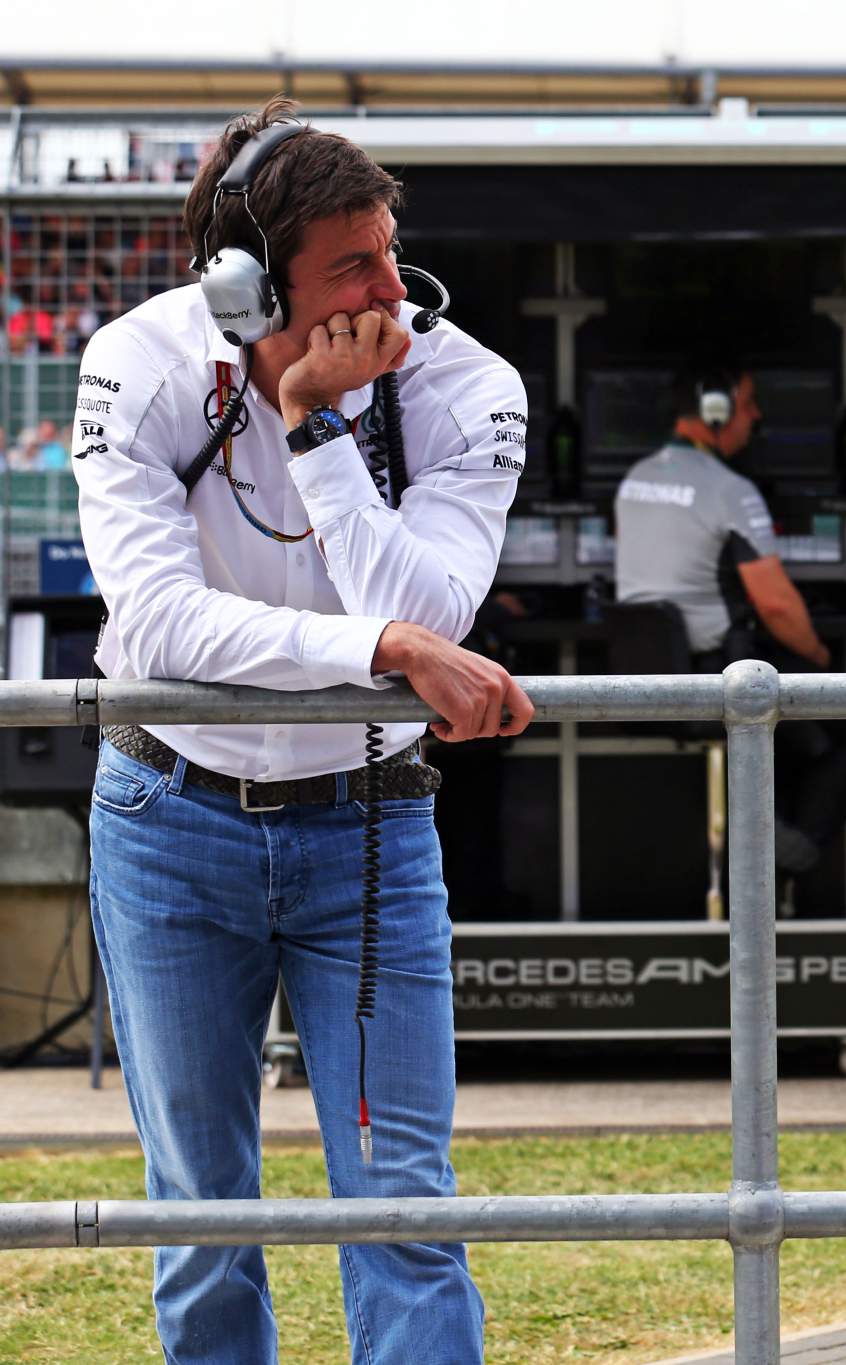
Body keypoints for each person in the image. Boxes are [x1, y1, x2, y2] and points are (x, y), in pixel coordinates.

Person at [73, 97, 534, 1364]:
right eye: (352, 265)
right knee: (204, 1219)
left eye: (390, 247)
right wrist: (376, 657)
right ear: (246, 284)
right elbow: (160, 625)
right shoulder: (137, 360)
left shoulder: (464, 378)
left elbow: (431, 606)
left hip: (370, 830)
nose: (395, 286)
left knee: (401, 1209)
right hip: (168, 821)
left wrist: (317, 423)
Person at [613, 365, 846, 884]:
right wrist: (825, 660)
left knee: (798, 722)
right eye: (750, 404)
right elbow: (777, 606)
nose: (756, 418)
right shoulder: (728, 489)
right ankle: (790, 850)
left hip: (649, 676)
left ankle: (767, 836)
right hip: (715, 676)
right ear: (715, 409)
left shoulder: (636, 479)